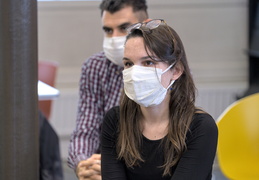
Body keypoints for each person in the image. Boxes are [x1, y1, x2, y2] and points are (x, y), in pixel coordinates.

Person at [101, 19, 218, 180]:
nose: (135, 73)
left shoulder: (200, 127)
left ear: (175, 71)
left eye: (148, 62)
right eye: (128, 64)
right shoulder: (114, 120)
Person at [67, 0, 149, 179]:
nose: (115, 38)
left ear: (145, 25)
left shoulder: (165, 68)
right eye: (108, 30)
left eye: (124, 28)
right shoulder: (94, 67)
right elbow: (86, 127)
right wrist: (83, 164)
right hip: (103, 165)